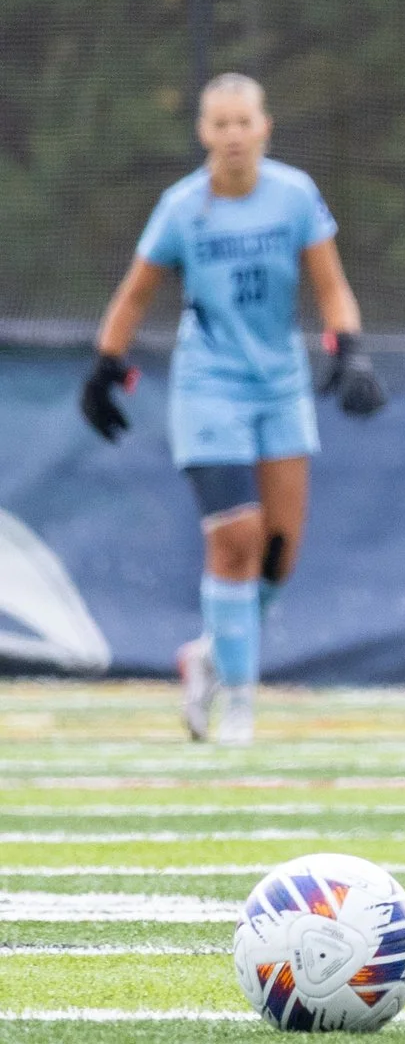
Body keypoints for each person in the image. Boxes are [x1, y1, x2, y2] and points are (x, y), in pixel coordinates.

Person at [82, 73, 387, 745]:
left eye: (243, 121)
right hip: (208, 386)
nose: (232, 135)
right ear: (204, 133)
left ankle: (210, 656)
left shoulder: (294, 195)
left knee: (279, 552)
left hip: (278, 383)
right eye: (219, 124)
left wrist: (351, 351)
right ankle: (240, 705)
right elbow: (134, 294)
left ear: (264, 126)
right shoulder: (182, 208)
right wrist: (107, 364)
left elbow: (332, 287)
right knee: (236, 540)